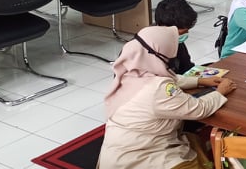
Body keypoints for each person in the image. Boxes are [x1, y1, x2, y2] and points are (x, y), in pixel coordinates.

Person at [99, 26, 237, 169]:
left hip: (118, 153)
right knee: (198, 154)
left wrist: (200, 81)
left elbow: (171, 78)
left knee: (194, 141)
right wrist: (220, 92)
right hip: (140, 157)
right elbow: (198, 108)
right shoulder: (158, 89)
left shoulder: (129, 72)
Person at [154, 0, 198, 74]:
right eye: (182, 32)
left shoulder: (176, 41)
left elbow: (187, 67)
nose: (186, 34)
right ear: (165, 27)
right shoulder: (147, 48)